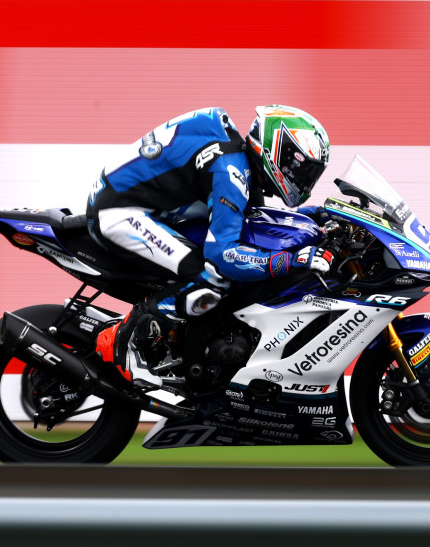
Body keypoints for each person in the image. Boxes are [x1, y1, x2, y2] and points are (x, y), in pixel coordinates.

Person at [89, 106, 333, 382]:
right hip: (119, 213)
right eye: (302, 169)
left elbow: (254, 217)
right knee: (213, 278)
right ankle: (123, 343)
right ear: (277, 151)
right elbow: (223, 256)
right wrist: (286, 262)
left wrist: (315, 215)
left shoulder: (237, 160)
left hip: (137, 205)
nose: (303, 180)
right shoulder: (230, 169)